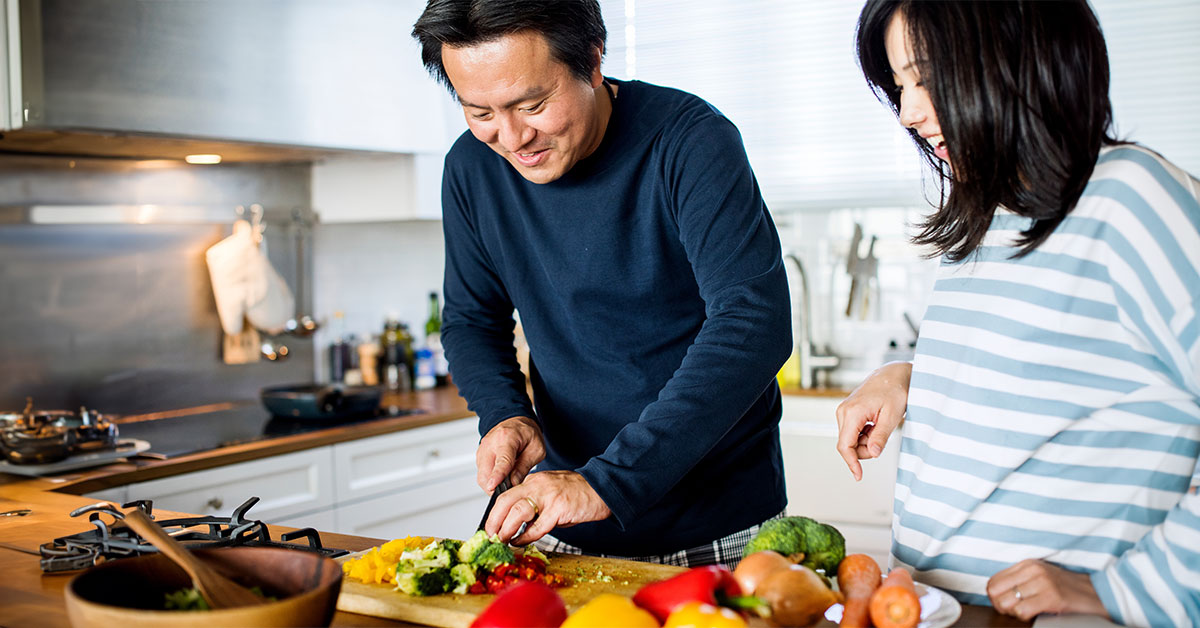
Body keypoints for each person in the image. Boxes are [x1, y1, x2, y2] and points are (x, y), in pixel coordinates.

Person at [839, 1, 1200, 625]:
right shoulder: (991, 213)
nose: (909, 112)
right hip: (940, 607)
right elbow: (1050, 379)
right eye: (900, 86)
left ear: (1013, 54)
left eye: (925, 77)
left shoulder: (1133, 198)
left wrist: (1123, 591)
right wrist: (908, 379)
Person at [411, 0, 792, 567]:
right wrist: (505, 414)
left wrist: (607, 484)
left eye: (532, 105)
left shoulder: (690, 141)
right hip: (564, 519)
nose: (513, 137)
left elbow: (753, 323)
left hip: (719, 527)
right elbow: (472, 319)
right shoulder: (469, 167)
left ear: (592, 59)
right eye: (480, 111)